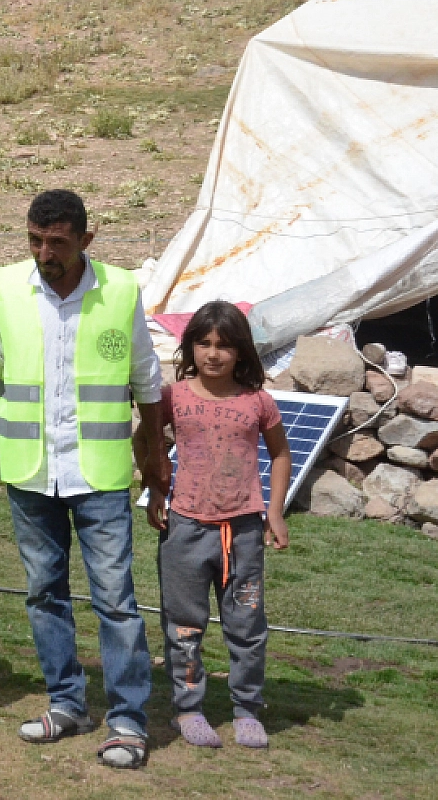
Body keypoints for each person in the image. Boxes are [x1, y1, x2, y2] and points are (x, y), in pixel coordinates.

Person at [0, 189, 165, 770]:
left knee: (115, 600)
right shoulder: (4, 287)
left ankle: (127, 721)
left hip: (98, 476)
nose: (45, 252)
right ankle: (67, 703)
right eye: (35, 240)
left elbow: (148, 383)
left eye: (58, 243)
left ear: (85, 241)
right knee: (45, 592)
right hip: (30, 472)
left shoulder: (120, 292)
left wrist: (157, 462)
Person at [151, 301, 289, 750]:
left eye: (224, 345)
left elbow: (281, 453)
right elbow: (146, 440)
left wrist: (274, 510)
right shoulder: (174, 397)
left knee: (247, 625)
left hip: (243, 533)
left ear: (241, 351)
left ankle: (247, 709)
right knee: (185, 625)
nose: (213, 354)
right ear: (190, 347)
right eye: (203, 343)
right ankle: (188, 709)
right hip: (185, 529)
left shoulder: (258, 402)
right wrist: (155, 489)